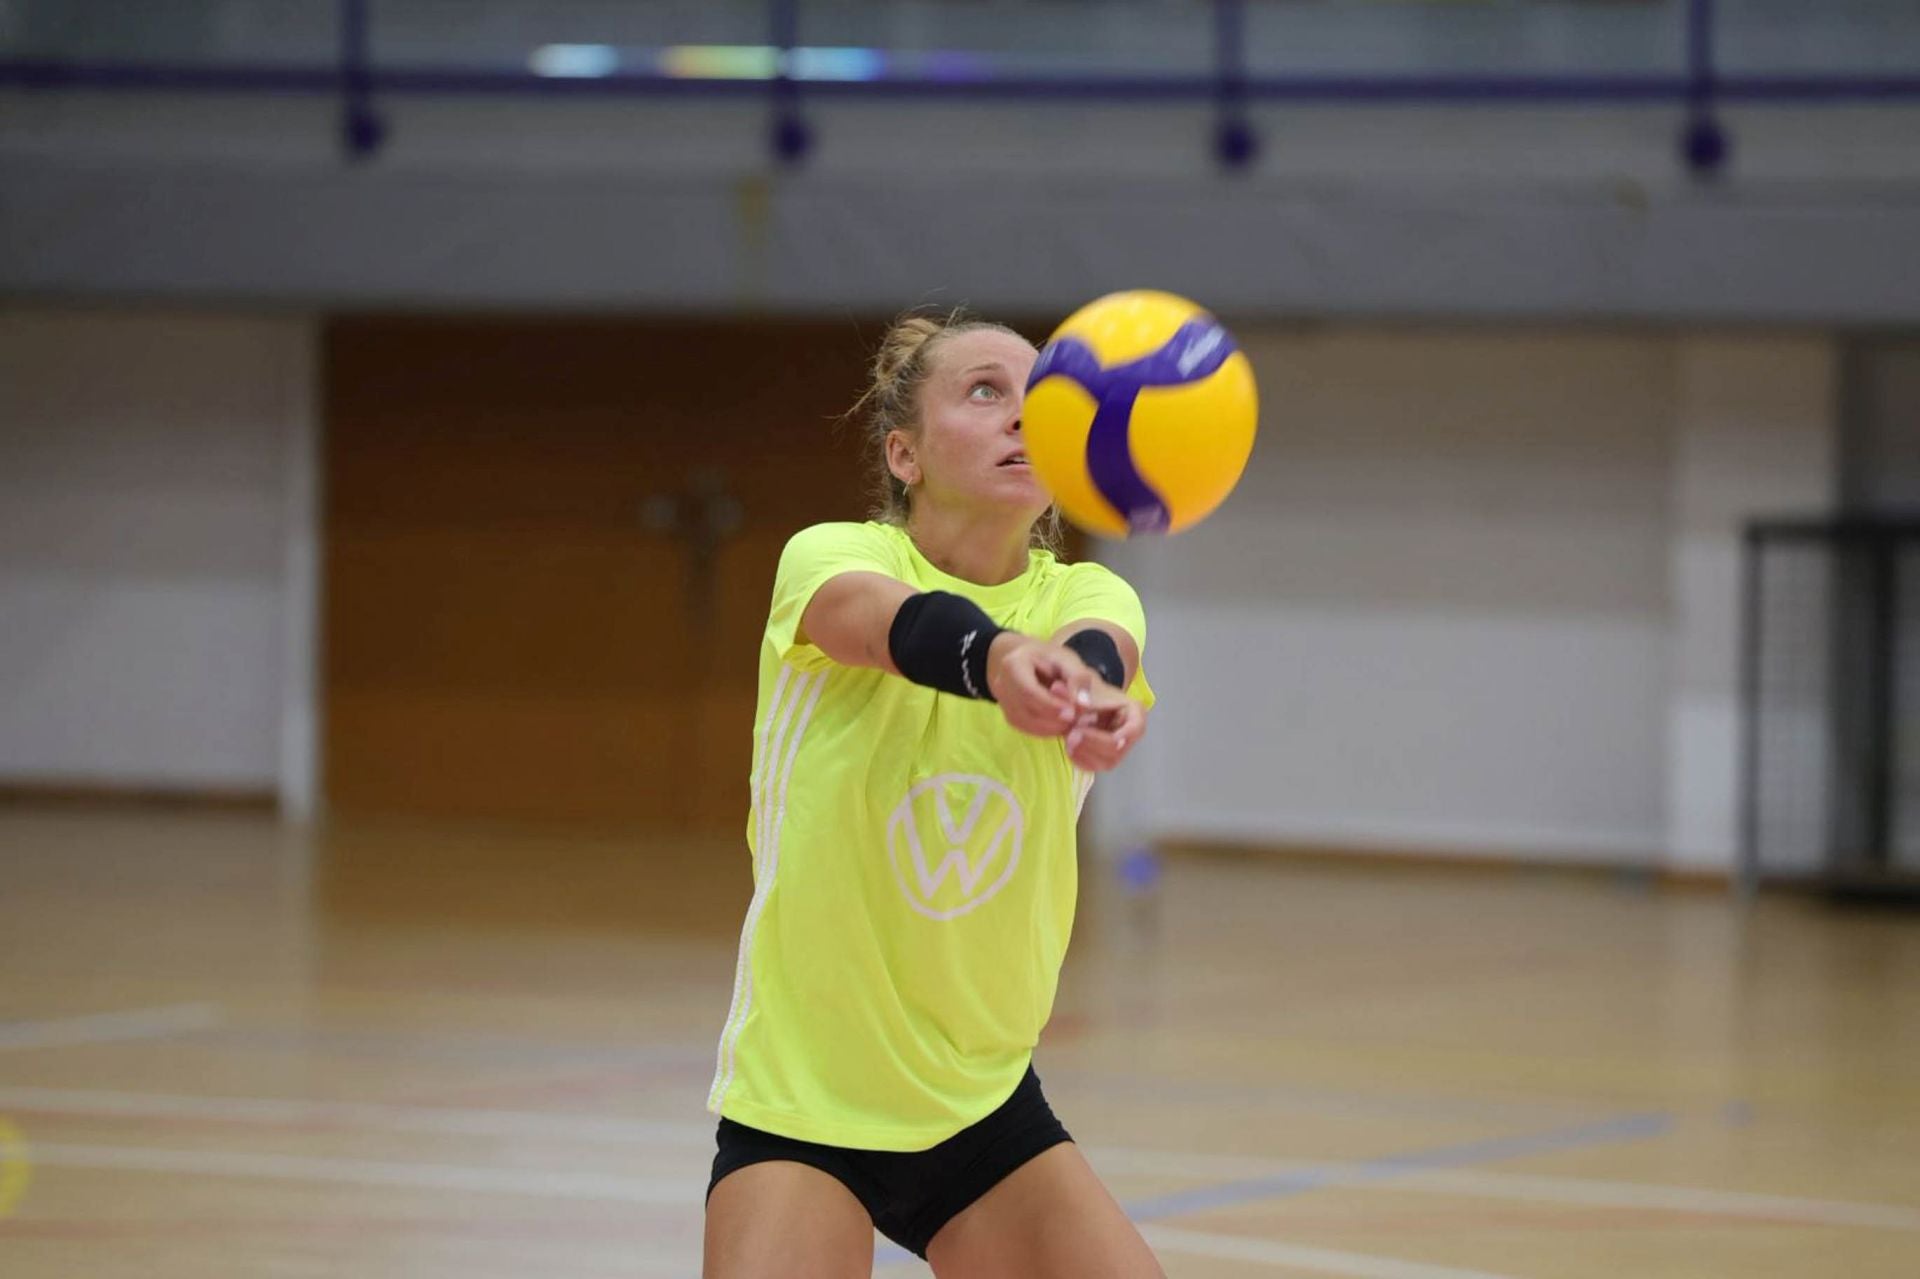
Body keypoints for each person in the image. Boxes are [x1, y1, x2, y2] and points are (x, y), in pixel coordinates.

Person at [704, 309, 1164, 1278]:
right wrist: (998, 661)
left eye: (1039, 400)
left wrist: (1086, 693)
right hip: (802, 1103)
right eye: (986, 392)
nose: (1021, 419)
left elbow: (1099, 653)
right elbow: (887, 624)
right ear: (903, 453)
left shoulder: (1091, 598)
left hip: (983, 1110)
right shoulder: (831, 559)